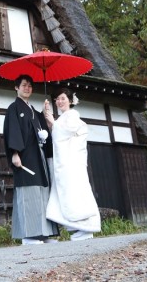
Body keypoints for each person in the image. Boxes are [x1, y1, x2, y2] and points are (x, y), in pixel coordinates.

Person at [3, 75, 58, 245]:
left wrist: (45, 114)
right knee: (29, 194)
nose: (27, 88)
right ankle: (30, 235)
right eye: (24, 85)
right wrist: (14, 153)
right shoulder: (14, 108)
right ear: (16, 88)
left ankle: (43, 233)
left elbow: (43, 131)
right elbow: (12, 132)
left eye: (29, 86)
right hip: (25, 158)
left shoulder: (33, 110)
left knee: (42, 193)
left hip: (38, 157)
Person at [42, 87, 101, 241]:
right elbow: (58, 136)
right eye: (57, 99)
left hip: (72, 163)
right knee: (66, 194)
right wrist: (51, 123)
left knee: (75, 192)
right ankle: (77, 228)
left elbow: (66, 132)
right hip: (64, 163)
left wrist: (54, 123)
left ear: (69, 100)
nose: (60, 102)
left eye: (63, 98)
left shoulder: (72, 115)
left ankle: (85, 226)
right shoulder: (62, 119)